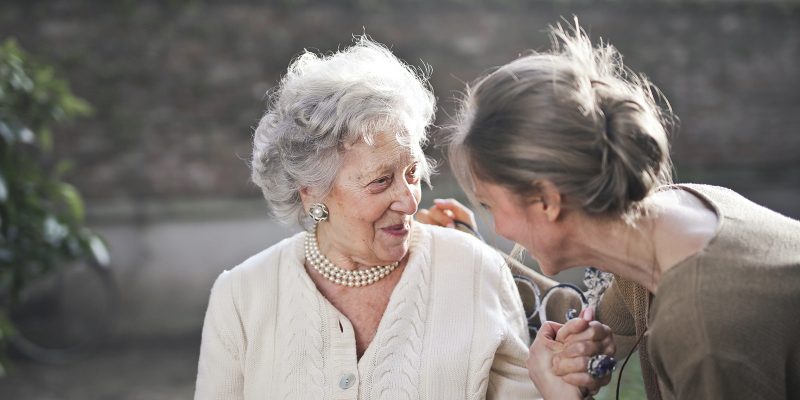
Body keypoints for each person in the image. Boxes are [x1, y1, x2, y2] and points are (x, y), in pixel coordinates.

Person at [194, 36, 613, 399]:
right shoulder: (241, 296)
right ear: (312, 193)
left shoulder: (472, 269)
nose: (409, 200)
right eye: (380, 182)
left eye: (412, 173)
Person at [438, 19, 800, 400]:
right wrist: (582, 354)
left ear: (546, 200)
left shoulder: (702, 330)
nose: (500, 227)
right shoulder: (673, 218)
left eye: (490, 205)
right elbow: (592, 331)